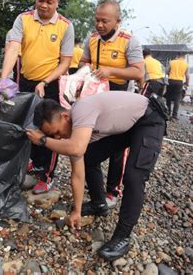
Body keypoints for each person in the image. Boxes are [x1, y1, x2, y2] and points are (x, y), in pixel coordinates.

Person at [26, 92, 166, 262]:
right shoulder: (75, 133)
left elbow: (75, 148)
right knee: (89, 158)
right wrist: (76, 211)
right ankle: (98, 203)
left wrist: (43, 141)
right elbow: (77, 173)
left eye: (56, 132)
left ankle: (123, 236)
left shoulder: (82, 110)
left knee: (134, 177)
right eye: (51, 136)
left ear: (64, 116)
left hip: (149, 119)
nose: (58, 138)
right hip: (127, 126)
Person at [0, 0, 75, 194]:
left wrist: (45, 81)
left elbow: (65, 62)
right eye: (40, 0)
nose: (43, 5)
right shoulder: (23, 19)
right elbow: (13, 49)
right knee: (27, 125)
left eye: (49, 2)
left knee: (51, 130)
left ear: (57, 2)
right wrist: (4, 78)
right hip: (24, 81)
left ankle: (47, 175)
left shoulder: (65, 26)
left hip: (50, 84)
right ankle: (35, 161)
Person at [80, 0, 145, 208]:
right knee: (92, 141)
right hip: (96, 96)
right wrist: (86, 68)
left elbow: (138, 72)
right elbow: (83, 61)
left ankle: (112, 191)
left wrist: (111, 71)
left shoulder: (129, 41)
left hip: (121, 100)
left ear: (118, 21)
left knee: (118, 148)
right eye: (97, 20)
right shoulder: (91, 39)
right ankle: (95, 188)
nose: (99, 25)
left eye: (105, 21)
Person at [165, 53, 190, 119]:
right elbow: (187, 76)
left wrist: (170, 72)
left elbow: (167, 71)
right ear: (184, 57)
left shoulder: (172, 62)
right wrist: (187, 83)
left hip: (171, 81)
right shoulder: (186, 64)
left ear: (177, 56)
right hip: (179, 82)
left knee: (169, 97)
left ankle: (168, 113)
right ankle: (174, 115)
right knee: (177, 99)